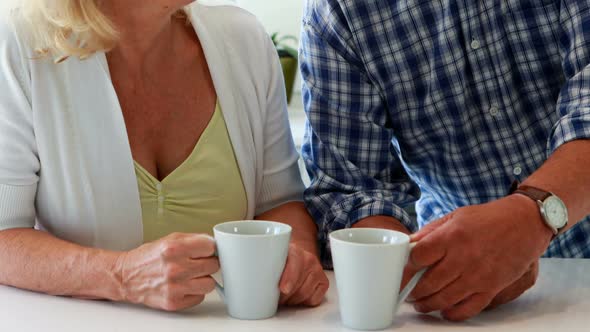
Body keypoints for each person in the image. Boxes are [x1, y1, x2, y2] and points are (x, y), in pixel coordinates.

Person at [0, 0, 328, 311]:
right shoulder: (21, 46)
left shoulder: (244, 40)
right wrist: (121, 275)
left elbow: (279, 204)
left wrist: (295, 257)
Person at [300, 0, 590, 322]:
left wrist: (530, 218)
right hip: (459, 303)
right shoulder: (338, 11)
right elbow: (353, 186)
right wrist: (406, 264)